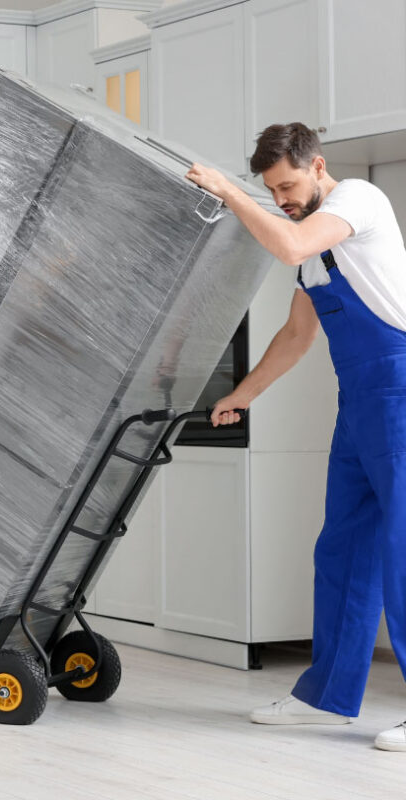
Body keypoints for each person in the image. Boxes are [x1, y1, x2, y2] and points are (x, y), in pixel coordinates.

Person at [186, 123, 406, 752]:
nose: (281, 197)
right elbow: (296, 336)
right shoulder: (311, 253)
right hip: (360, 404)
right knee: (340, 549)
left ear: (317, 167)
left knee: (402, 549)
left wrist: (229, 191)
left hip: (400, 392)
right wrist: (242, 395)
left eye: (287, 185)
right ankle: (326, 698)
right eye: (270, 190)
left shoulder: (357, 200)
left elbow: (286, 243)